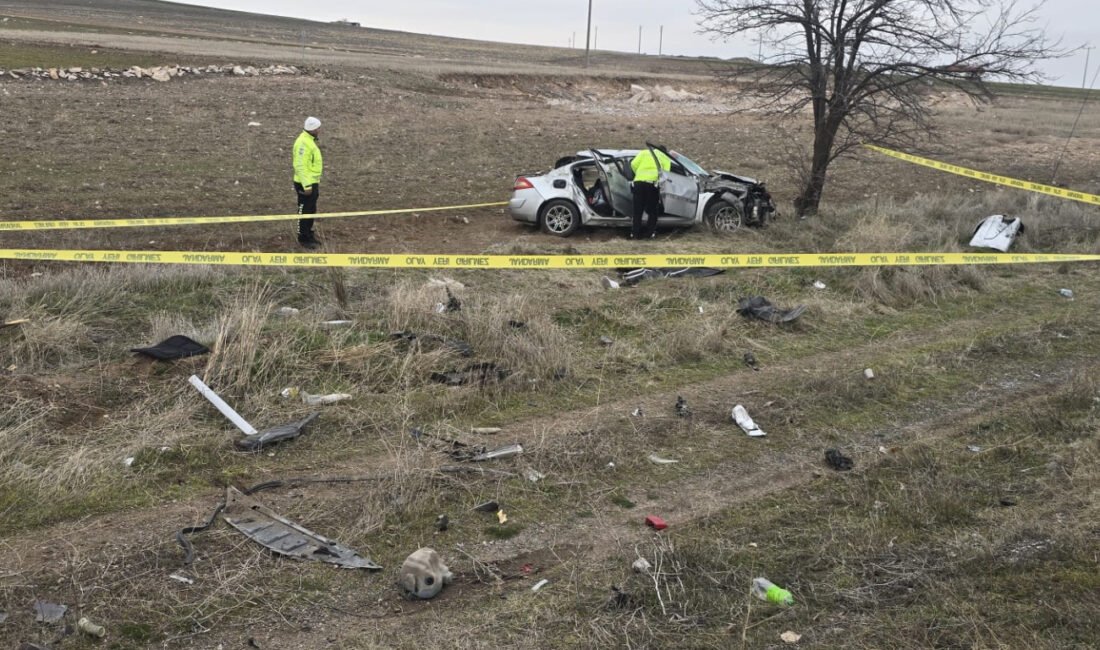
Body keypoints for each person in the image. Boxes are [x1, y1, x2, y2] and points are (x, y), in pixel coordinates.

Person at [292, 116, 324, 248]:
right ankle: (303, 238)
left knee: (311, 209)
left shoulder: (308, 140)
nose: (319, 130)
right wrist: (307, 185)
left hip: (311, 182)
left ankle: (309, 234)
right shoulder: (303, 143)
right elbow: (300, 166)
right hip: (305, 184)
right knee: (304, 210)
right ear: (312, 129)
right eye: (317, 128)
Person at [629, 146, 671, 239]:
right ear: (664, 152)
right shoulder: (664, 157)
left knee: (637, 210)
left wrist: (638, 173)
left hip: (638, 183)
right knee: (652, 211)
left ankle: (634, 234)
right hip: (652, 184)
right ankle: (650, 233)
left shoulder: (644, 152)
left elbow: (633, 164)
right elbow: (666, 173)